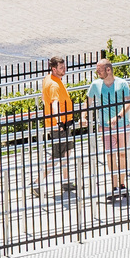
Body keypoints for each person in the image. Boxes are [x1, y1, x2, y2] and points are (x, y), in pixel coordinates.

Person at [87, 56, 130, 203]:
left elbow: (127, 103)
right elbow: (88, 101)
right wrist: (84, 116)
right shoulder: (95, 85)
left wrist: (118, 117)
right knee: (110, 155)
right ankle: (114, 187)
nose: (97, 73)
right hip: (106, 127)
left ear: (108, 70)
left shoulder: (122, 83)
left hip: (122, 125)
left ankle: (122, 184)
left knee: (122, 154)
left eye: (99, 70)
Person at [32, 55, 76, 201]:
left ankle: (66, 181)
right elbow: (55, 103)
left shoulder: (49, 79)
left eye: (64, 67)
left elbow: (45, 100)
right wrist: (58, 122)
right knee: (57, 155)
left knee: (66, 152)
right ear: (54, 68)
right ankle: (37, 183)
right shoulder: (54, 85)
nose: (64, 70)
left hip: (63, 123)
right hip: (60, 126)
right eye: (61, 68)